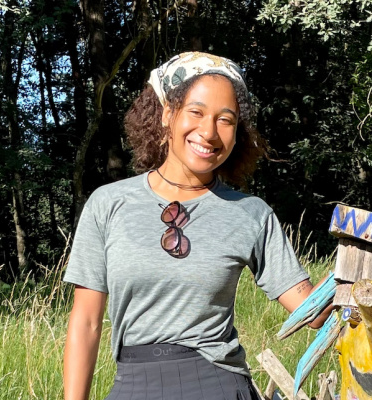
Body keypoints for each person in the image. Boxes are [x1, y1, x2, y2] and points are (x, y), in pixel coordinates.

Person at [63, 52, 332, 400]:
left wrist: (351, 282)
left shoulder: (251, 214)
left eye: (226, 119)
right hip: (132, 386)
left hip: (218, 384)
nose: (209, 131)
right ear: (167, 114)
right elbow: (86, 323)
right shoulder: (108, 204)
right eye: (196, 112)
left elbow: (310, 311)